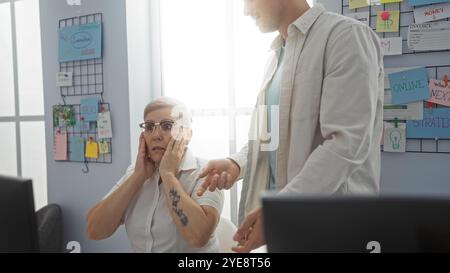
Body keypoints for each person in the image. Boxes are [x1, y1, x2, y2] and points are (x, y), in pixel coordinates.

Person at [197, 0, 384, 252]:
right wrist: (237, 163)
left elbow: (346, 144)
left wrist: (281, 209)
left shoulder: (345, 36)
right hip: (286, 230)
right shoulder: (275, 59)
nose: (245, 10)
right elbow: (268, 137)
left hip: (334, 229)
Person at [86, 97, 223, 252]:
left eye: (167, 126)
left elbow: (198, 237)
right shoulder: (136, 172)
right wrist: (138, 176)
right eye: (149, 127)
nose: (156, 135)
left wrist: (168, 174)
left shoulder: (206, 172)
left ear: (188, 135)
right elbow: (94, 231)